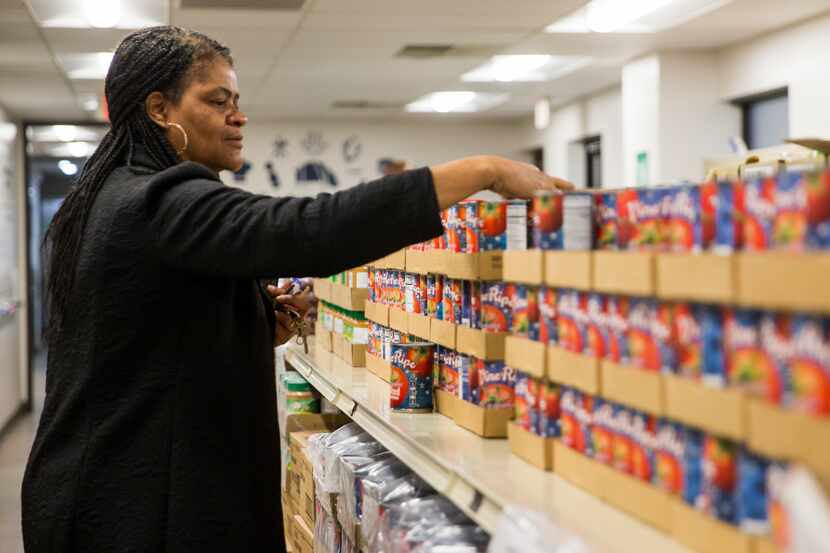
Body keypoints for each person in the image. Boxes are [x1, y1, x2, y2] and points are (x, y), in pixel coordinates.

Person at [21, 26, 572, 553]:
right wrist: (482, 170)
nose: (239, 116)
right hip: (136, 510)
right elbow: (310, 228)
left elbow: (146, 338)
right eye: (217, 101)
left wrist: (253, 323)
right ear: (160, 109)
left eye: (236, 99)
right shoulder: (157, 201)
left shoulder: (115, 195)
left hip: (110, 491)